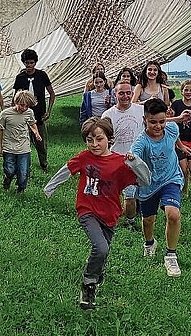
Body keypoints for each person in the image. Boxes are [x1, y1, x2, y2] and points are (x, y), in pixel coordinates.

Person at [44, 117, 150, 310]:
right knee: (100, 248)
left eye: (99, 139)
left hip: (110, 214)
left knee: (103, 251)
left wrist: (136, 163)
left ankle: (97, 270)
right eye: (90, 140)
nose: (94, 144)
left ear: (109, 139)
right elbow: (67, 170)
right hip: (87, 210)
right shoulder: (84, 157)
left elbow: (144, 181)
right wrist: (50, 187)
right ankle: (88, 284)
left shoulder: (119, 162)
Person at [131, 98, 191, 277]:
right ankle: (149, 243)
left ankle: (171, 255)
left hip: (170, 179)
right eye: (153, 122)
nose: (158, 126)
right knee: (148, 220)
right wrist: (131, 159)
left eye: (162, 121)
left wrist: (181, 146)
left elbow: (174, 132)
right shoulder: (141, 142)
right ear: (144, 120)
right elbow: (133, 156)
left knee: (173, 214)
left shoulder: (172, 128)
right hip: (148, 184)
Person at [101, 80, 145, 231]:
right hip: (114, 160)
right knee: (110, 193)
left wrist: (177, 120)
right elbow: (101, 139)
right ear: (115, 95)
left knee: (130, 196)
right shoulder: (108, 115)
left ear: (132, 94)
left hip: (135, 160)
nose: (125, 96)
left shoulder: (141, 110)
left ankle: (130, 221)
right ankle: (108, 217)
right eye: (121, 93)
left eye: (128, 93)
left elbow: (156, 124)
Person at [13, 49, 55, 173]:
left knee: (41, 142)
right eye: (27, 63)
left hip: (39, 115)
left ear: (35, 62)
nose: (29, 65)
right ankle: (25, 167)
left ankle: (44, 164)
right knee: (23, 143)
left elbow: (52, 93)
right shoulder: (20, 77)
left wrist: (48, 111)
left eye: (31, 63)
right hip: (23, 115)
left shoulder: (42, 75)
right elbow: (15, 97)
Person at [0, 90, 42, 193]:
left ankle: (21, 190)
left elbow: (32, 123)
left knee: (23, 172)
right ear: (16, 102)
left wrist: (36, 132)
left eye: (27, 106)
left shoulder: (29, 112)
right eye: (22, 105)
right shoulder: (5, 114)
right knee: (9, 170)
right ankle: (7, 179)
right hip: (8, 146)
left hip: (24, 147)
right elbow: (0, 129)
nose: (24, 108)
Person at [170, 80, 191, 194]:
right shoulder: (176, 104)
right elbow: (170, 118)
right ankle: (184, 191)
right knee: (184, 169)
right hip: (179, 141)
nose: (188, 92)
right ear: (181, 91)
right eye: (186, 90)